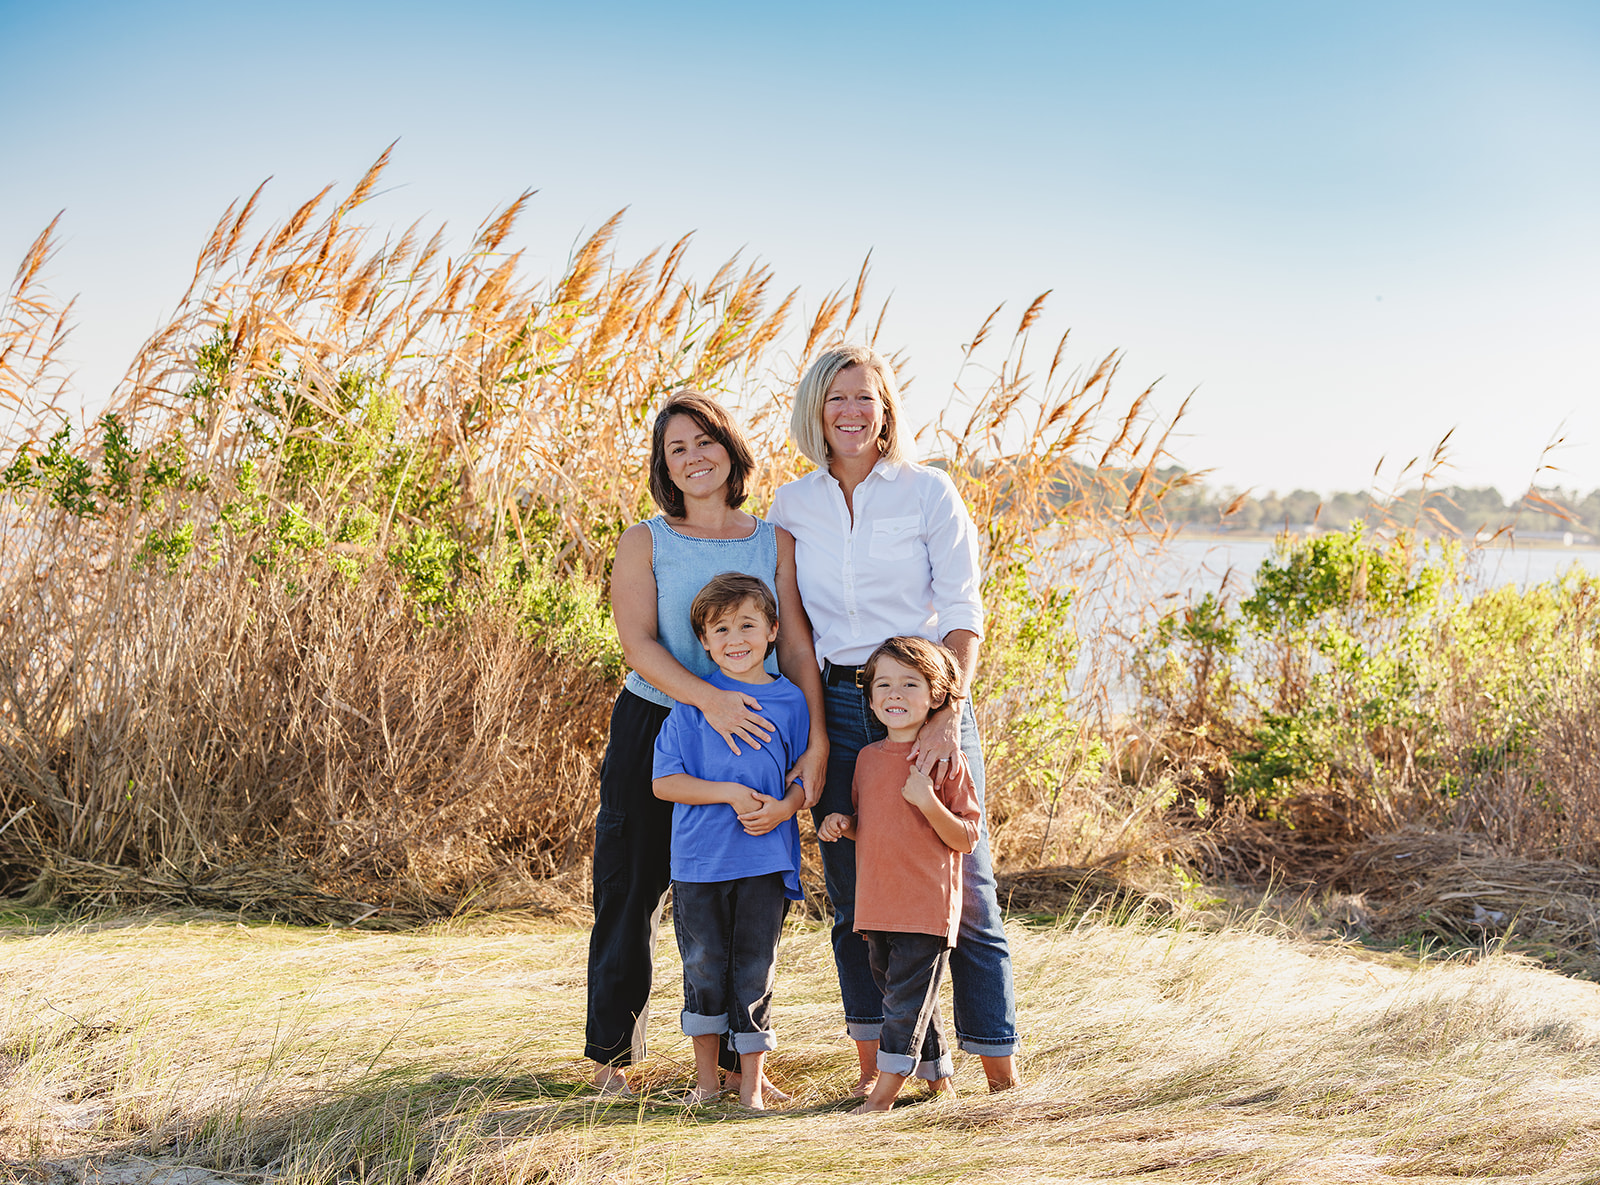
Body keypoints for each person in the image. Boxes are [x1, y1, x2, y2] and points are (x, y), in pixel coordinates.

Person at [767, 344, 1020, 1095]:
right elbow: (795, 632)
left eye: (865, 398)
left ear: (887, 409)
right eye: (836, 397)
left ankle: (1001, 1074)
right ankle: (892, 1068)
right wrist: (817, 729)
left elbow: (965, 610)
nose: (851, 411)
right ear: (816, 408)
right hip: (842, 706)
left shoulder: (927, 492)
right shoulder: (793, 505)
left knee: (967, 887)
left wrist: (950, 710)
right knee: (858, 897)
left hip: (927, 697)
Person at [585, 392, 827, 1097]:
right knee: (629, 891)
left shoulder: (772, 540)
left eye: (704, 441)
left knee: (736, 896)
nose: (694, 458)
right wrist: (708, 698)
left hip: (754, 732)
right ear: (664, 466)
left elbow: (801, 650)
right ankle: (610, 1059)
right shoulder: (645, 540)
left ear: (731, 448)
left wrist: (812, 743)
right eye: (676, 449)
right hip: (659, 723)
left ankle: (732, 1068)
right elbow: (638, 645)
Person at [653, 573, 809, 1109]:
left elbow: (803, 773)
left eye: (747, 624)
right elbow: (663, 781)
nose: (735, 637)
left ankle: (750, 1086)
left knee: (754, 968)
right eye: (720, 628)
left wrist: (787, 806)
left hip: (765, 858)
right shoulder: (692, 705)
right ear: (704, 641)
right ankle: (705, 1082)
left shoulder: (791, 702)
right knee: (701, 966)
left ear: (772, 631)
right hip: (699, 862)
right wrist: (728, 793)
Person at [818, 636, 980, 1114]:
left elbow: (967, 836)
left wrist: (928, 801)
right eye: (883, 684)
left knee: (904, 1003)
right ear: (869, 698)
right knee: (900, 994)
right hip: (877, 904)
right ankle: (939, 1083)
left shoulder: (945, 759)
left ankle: (884, 1096)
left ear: (936, 695)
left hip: (925, 907)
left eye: (910, 683)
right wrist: (843, 826)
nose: (894, 693)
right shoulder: (868, 759)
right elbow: (877, 829)